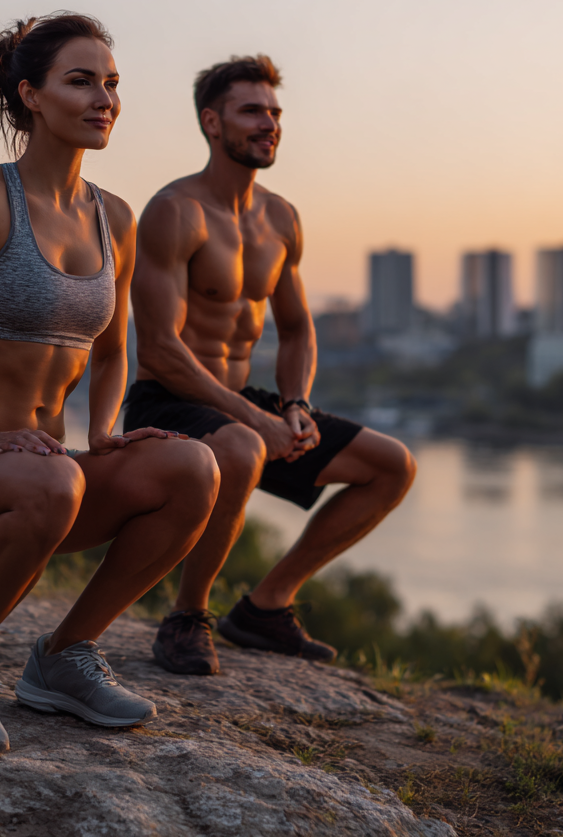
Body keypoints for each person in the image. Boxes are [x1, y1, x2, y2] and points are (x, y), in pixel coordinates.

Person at [0, 13, 220, 755]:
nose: (105, 99)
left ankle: (64, 657)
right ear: (31, 95)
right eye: (81, 81)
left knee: (193, 466)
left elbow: (113, 348)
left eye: (113, 84)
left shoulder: (115, 217)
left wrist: (104, 435)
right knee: (49, 480)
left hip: (48, 473)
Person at [126, 55, 416, 676]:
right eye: (252, 111)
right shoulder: (175, 211)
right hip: (169, 399)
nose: (270, 124)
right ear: (212, 122)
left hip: (242, 403)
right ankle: (186, 616)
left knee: (391, 465)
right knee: (241, 447)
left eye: (276, 112)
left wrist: (294, 406)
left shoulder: (280, 218)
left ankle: (265, 606)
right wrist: (255, 421)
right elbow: (158, 349)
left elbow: (296, 330)